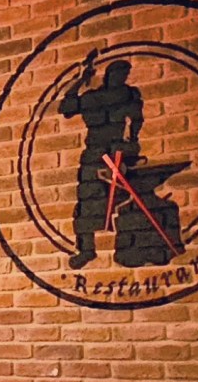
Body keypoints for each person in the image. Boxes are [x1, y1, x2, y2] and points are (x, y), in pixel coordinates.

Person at [58, 54, 144, 269]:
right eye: (119, 74)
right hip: (95, 154)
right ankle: (87, 249)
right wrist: (81, 79)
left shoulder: (128, 94)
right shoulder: (94, 97)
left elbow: (137, 120)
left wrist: (132, 141)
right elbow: (66, 107)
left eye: (125, 74)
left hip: (116, 153)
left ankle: (127, 247)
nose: (122, 78)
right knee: (87, 204)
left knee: (124, 199)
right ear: (109, 75)